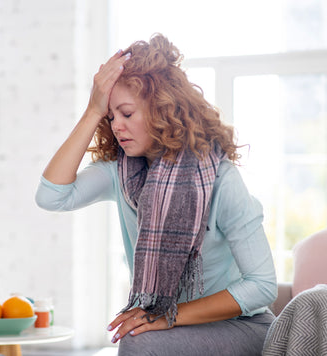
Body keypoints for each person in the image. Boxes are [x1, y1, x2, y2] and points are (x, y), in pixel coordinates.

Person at [36, 33, 277, 355]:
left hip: (242, 326)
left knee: (138, 340)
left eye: (127, 113)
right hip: (173, 324)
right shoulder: (119, 173)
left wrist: (168, 316)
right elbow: (52, 196)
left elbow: (261, 287)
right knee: (136, 338)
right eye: (110, 118)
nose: (116, 126)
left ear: (164, 109)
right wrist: (93, 111)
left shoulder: (222, 180)